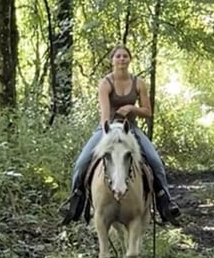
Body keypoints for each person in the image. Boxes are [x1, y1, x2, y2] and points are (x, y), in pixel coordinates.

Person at [59, 44, 181, 226]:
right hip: (107, 129)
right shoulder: (105, 83)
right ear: (112, 60)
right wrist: (109, 133)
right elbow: (105, 116)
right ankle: (75, 201)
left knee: (155, 161)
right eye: (118, 56)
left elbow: (148, 112)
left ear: (129, 59)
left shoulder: (139, 83)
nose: (122, 59)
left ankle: (166, 201)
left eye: (125, 56)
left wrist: (132, 108)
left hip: (130, 129)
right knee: (82, 161)